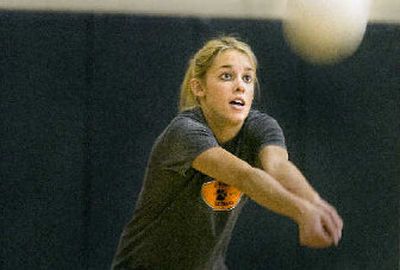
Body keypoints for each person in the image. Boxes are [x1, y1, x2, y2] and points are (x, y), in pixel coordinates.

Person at [111, 36, 343, 270]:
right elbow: (245, 176)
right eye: (226, 76)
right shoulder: (184, 132)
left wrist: (317, 205)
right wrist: (302, 212)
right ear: (199, 88)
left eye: (247, 78)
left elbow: (278, 167)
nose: (240, 86)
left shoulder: (261, 127)